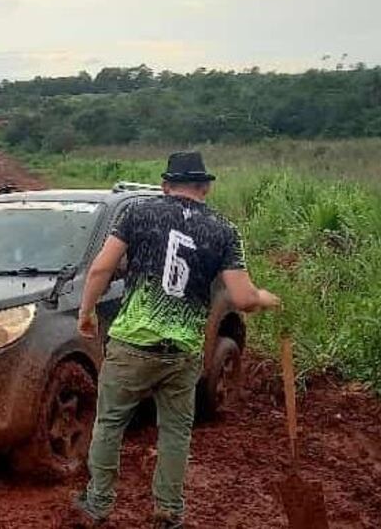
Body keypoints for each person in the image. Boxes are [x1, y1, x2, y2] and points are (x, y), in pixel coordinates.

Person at [72, 152, 281, 529]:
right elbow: (244, 298)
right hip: (183, 350)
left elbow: (101, 268)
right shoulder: (224, 230)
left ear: (166, 185)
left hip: (132, 343)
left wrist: (86, 312)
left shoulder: (137, 214)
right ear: (206, 187)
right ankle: (168, 511)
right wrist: (267, 298)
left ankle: (98, 504)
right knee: (175, 432)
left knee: (109, 425)